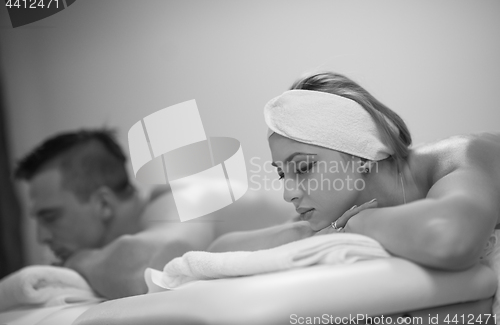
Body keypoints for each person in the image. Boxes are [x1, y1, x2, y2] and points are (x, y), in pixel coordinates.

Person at [209, 72, 499, 272]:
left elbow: (449, 239)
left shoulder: (466, 156)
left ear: (363, 156)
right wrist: (309, 234)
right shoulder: (337, 210)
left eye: (303, 167)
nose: (289, 193)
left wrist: (360, 225)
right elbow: (219, 252)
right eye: (283, 174)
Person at [14, 129, 215, 299]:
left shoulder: (183, 196)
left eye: (50, 217)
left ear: (103, 204)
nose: (41, 237)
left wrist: (75, 260)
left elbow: (145, 270)